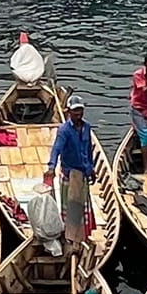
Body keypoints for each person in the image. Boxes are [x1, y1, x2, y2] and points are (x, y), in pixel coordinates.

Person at [42, 96, 99, 255]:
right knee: (73, 206)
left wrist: (91, 168)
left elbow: (88, 149)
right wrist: (51, 167)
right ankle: (71, 238)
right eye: (75, 111)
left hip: (84, 172)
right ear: (68, 112)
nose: (78, 114)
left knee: (82, 204)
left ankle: (82, 235)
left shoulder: (86, 127)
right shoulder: (64, 130)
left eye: (80, 110)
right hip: (71, 172)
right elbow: (56, 149)